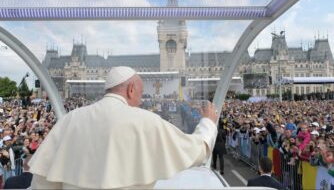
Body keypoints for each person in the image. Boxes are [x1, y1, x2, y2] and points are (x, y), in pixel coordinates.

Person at [29, 66, 218, 189]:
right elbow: (195, 150)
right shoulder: (146, 121)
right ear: (131, 90)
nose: (141, 99)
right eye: (141, 93)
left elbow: (43, 180)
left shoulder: (70, 119)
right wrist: (207, 122)